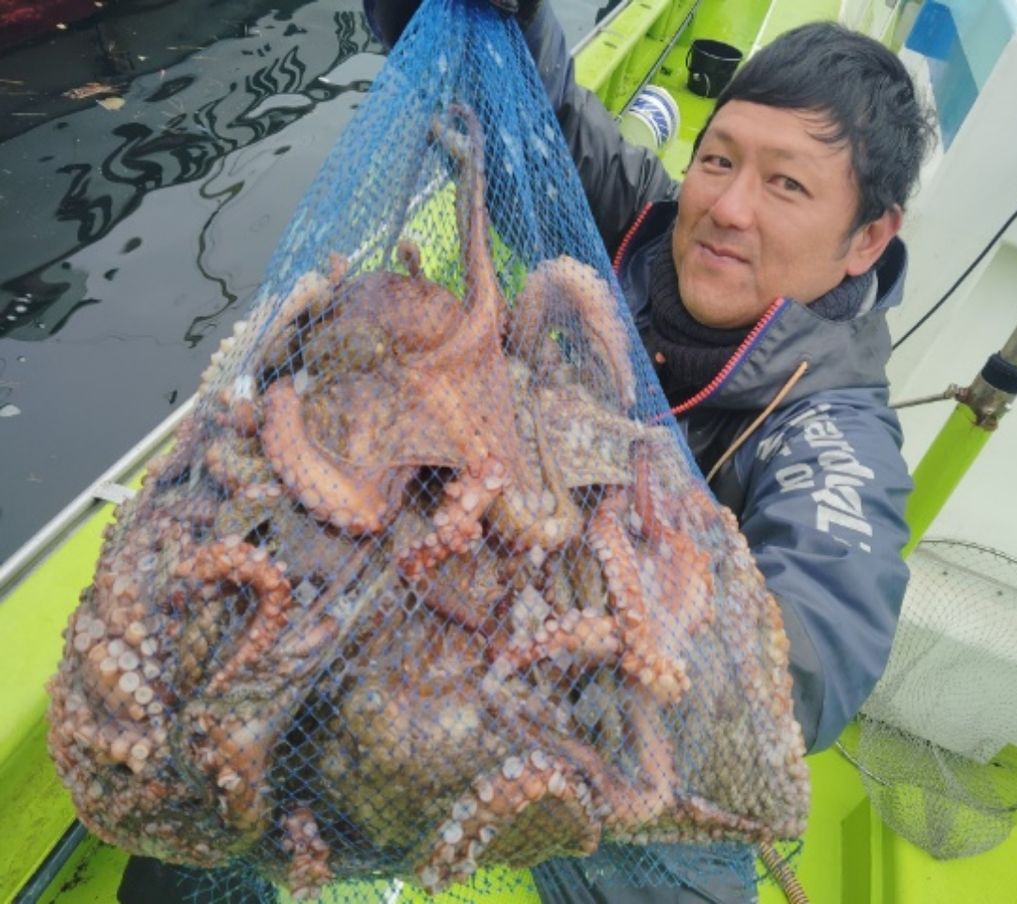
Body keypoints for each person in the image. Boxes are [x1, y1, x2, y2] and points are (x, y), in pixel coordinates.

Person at [120, 1, 935, 900]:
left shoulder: (829, 434)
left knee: (664, 860)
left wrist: (580, 629)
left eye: (787, 186)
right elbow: (529, 99)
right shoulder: (643, 226)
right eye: (718, 159)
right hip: (427, 618)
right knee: (206, 748)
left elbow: (819, 655)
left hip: (620, 738)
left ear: (868, 238)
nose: (727, 209)